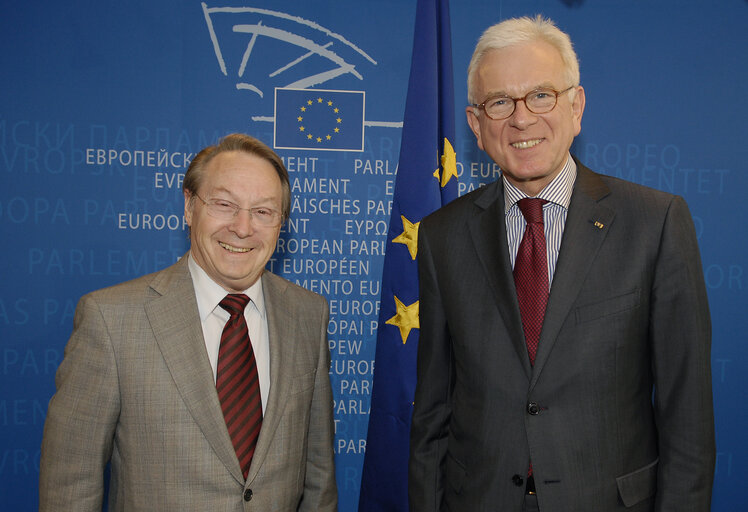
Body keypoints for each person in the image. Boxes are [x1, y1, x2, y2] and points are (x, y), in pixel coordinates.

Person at [409, 15, 714, 512]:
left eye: (542, 95)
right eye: (500, 102)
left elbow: (689, 418)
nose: (522, 118)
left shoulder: (654, 224)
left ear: (577, 107)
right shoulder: (443, 236)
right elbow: (432, 415)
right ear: (476, 125)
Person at [39, 133, 337, 511]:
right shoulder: (111, 320)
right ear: (189, 207)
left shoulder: (308, 314)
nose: (243, 228)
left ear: (282, 222)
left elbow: (318, 474)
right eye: (225, 204)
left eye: (263, 211)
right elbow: (70, 486)